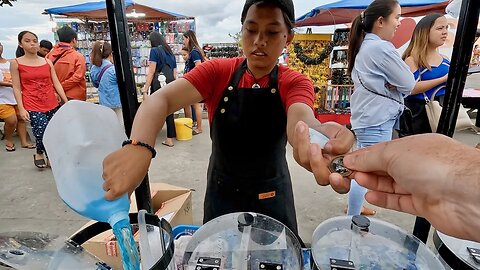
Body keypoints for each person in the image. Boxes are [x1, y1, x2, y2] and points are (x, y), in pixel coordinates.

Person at [102, 0, 354, 238]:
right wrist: (140, 147)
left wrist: (316, 142)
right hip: (222, 193)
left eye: (272, 32)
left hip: (272, 196)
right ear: (242, 30)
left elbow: (301, 122)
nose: (259, 41)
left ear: (289, 37)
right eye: (251, 29)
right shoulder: (217, 72)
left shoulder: (294, 82)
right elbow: (162, 100)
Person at [346, 0, 415, 216]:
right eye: (396, 17)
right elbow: (409, 83)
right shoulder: (382, 48)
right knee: (366, 170)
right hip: (376, 119)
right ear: (380, 21)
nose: (399, 23)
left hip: (368, 117)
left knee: (364, 167)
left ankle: (354, 210)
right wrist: (396, 81)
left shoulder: (366, 46)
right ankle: (352, 217)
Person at [342, 133, 480, 243]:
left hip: (379, 116)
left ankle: (353, 219)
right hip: (379, 118)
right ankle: (351, 224)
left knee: (367, 174)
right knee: (365, 170)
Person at [10, 31, 68, 169]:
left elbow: (56, 83)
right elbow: (17, 88)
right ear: (20, 44)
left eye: (35, 40)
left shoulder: (47, 61)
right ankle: (39, 152)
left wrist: (66, 101)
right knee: (41, 131)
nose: (32, 43)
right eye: (27, 41)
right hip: (32, 104)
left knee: (53, 131)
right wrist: (21, 108)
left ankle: (49, 154)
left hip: (51, 103)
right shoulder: (16, 63)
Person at [401, 14, 449, 135]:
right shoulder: (412, 60)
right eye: (440, 28)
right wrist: (443, 79)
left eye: (447, 28)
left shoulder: (446, 59)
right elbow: (411, 88)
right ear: (425, 32)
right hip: (419, 113)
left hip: (443, 109)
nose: (445, 32)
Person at [141, 32, 177, 148]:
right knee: (169, 109)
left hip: (159, 81)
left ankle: (150, 137)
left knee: (154, 109)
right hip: (170, 81)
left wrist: (145, 88)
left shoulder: (154, 51)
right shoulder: (169, 52)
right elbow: (174, 72)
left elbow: (151, 71)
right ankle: (170, 138)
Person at [0, 41, 35, 151]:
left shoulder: (10, 63)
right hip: (2, 99)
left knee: (21, 119)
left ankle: (24, 142)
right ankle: (8, 139)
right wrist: (11, 84)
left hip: (16, 97)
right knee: (11, 121)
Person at [46, 26, 87, 101]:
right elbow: (78, 77)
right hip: (75, 95)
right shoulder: (78, 56)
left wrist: (57, 89)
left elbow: (45, 75)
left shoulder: (49, 55)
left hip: (56, 95)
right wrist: (61, 86)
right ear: (74, 40)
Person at [89, 41, 123, 126]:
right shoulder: (113, 69)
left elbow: (95, 84)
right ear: (110, 53)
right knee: (119, 127)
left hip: (103, 103)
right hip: (116, 104)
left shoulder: (94, 68)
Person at [183, 30, 207, 135]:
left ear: (188, 38)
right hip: (192, 83)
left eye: (184, 39)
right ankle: (193, 125)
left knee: (196, 106)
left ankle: (199, 128)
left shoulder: (194, 52)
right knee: (191, 104)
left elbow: (199, 67)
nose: (183, 41)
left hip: (194, 83)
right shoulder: (195, 51)